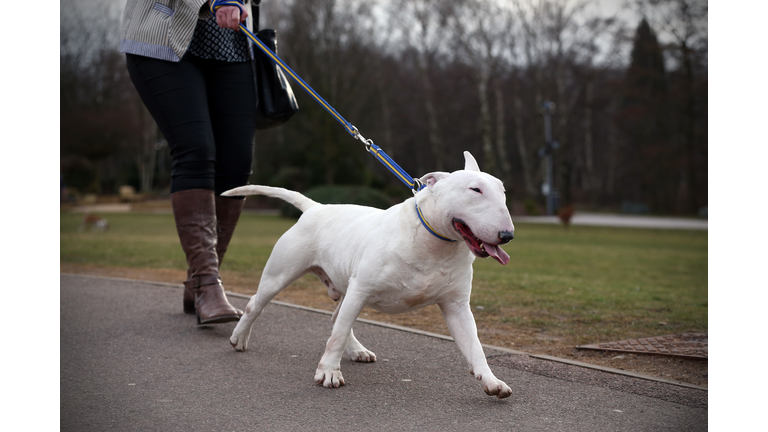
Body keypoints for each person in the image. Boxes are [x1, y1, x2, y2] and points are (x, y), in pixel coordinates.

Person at [120, 0, 258, 324]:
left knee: (238, 164)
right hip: (162, 37)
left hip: (231, 44)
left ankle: (199, 280)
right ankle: (207, 284)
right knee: (195, 149)